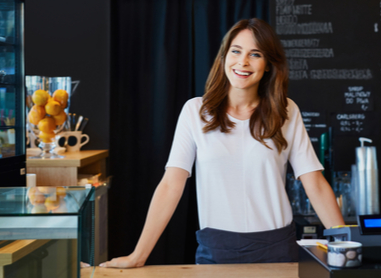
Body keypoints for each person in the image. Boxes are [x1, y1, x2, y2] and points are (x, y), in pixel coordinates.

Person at [101, 18, 344, 267]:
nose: (243, 62)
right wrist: (138, 256)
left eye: (255, 54)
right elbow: (171, 185)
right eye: (236, 51)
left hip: (277, 249)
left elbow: (314, 183)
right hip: (216, 250)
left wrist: (345, 248)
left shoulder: (286, 111)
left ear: (268, 65)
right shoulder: (195, 111)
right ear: (224, 57)